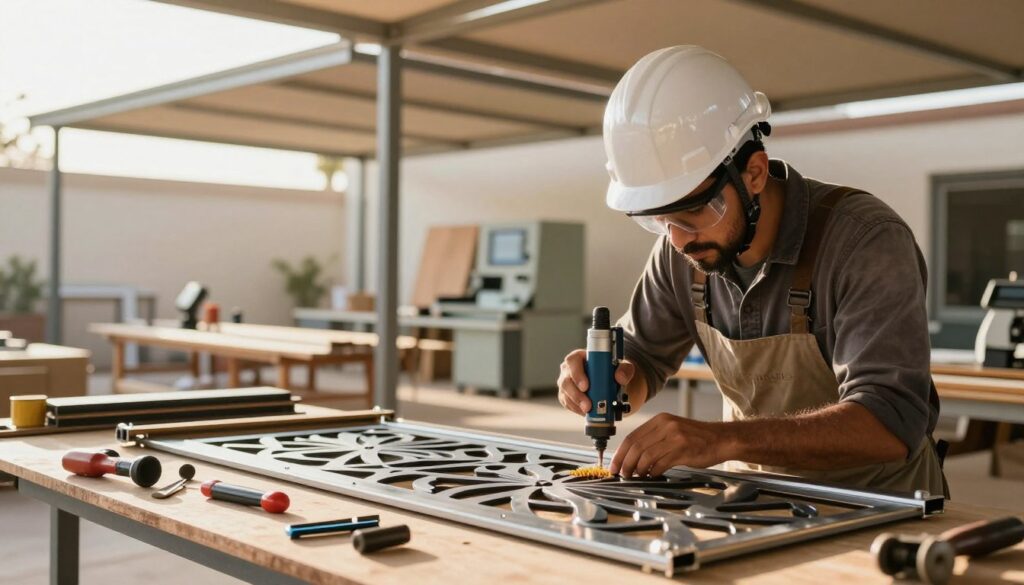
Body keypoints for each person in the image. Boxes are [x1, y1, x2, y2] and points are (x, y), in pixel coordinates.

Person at [557, 45, 947, 495]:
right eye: (658, 220)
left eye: (692, 212)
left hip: (881, 508)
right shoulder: (680, 250)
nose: (678, 238)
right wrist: (605, 382)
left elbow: (889, 422)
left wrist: (722, 439)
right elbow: (642, 359)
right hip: (752, 504)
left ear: (754, 173)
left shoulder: (865, 242)